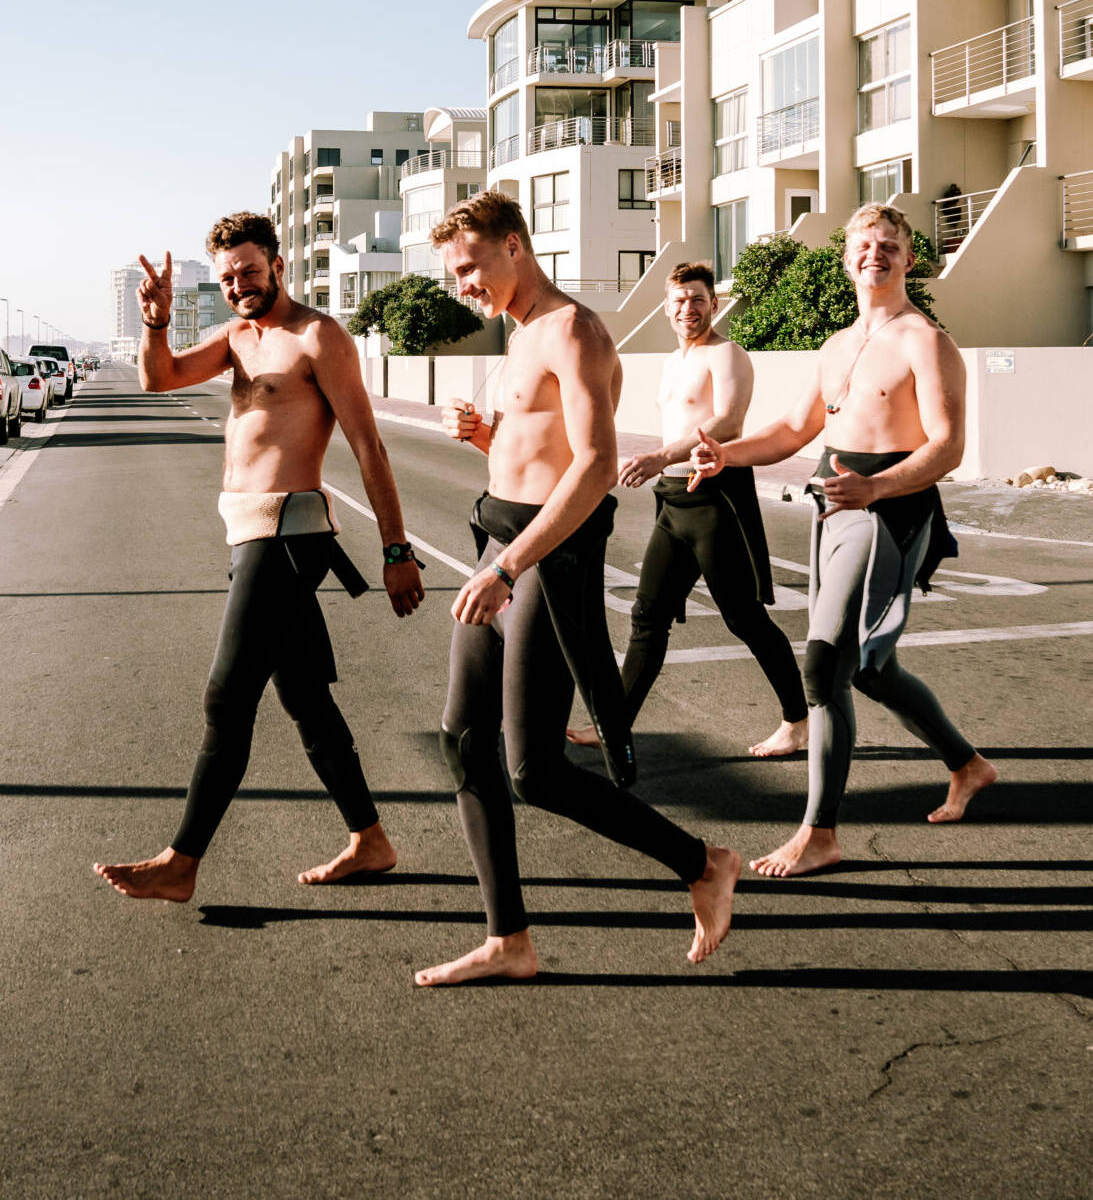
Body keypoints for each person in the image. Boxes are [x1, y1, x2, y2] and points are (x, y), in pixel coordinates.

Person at [413, 192, 740, 987]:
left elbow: (593, 465)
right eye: (452, 273)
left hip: (542, 561)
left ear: (514, 246)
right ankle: (507, 939)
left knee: (536, 770)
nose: (462, 285)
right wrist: (486, 438)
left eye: (469, 267)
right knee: (464, 740)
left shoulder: (575, 331)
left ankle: (701, 862)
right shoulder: (520, 335)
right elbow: (541, 450)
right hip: (503, 541)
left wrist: (506, 566)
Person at [93, 211, 425, 904]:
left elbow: (368, 445)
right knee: (304, 695)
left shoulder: (316, 336)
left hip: (287, 533)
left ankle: (181, 861)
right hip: (247, 532)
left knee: (226, 696)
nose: (238, 284)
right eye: (225, 277)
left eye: (248, 269)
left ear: (277, 262)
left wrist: (397, 548)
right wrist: (155, 322)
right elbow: (161, 379)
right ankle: (369, 839)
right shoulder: (237, 337)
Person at [690, 203, 996, 877]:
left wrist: (879, 489)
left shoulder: (925, 339)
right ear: (846, 258)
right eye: (863, 246)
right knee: (867, 667)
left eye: (888, 246)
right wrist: (727, 455)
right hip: (835, 498)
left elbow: (947, 445)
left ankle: (819, 832)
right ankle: (967, 765)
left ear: (907, 258)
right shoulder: (835, 344)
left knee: (824, 663)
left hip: (891, 505)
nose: (874, 256)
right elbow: (795, 430)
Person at [567, 261, 808, 758]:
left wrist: (660, 457)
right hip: (672, 502)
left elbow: (729, 421)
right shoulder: (669, 363)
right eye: (678, 301)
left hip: (716, 497)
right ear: (666, 308)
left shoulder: (728, 355)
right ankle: (616, 725)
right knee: (647, 615)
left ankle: (797, 721)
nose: (688, 309)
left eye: (697, 299)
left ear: (713, 303)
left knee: (744, 617)